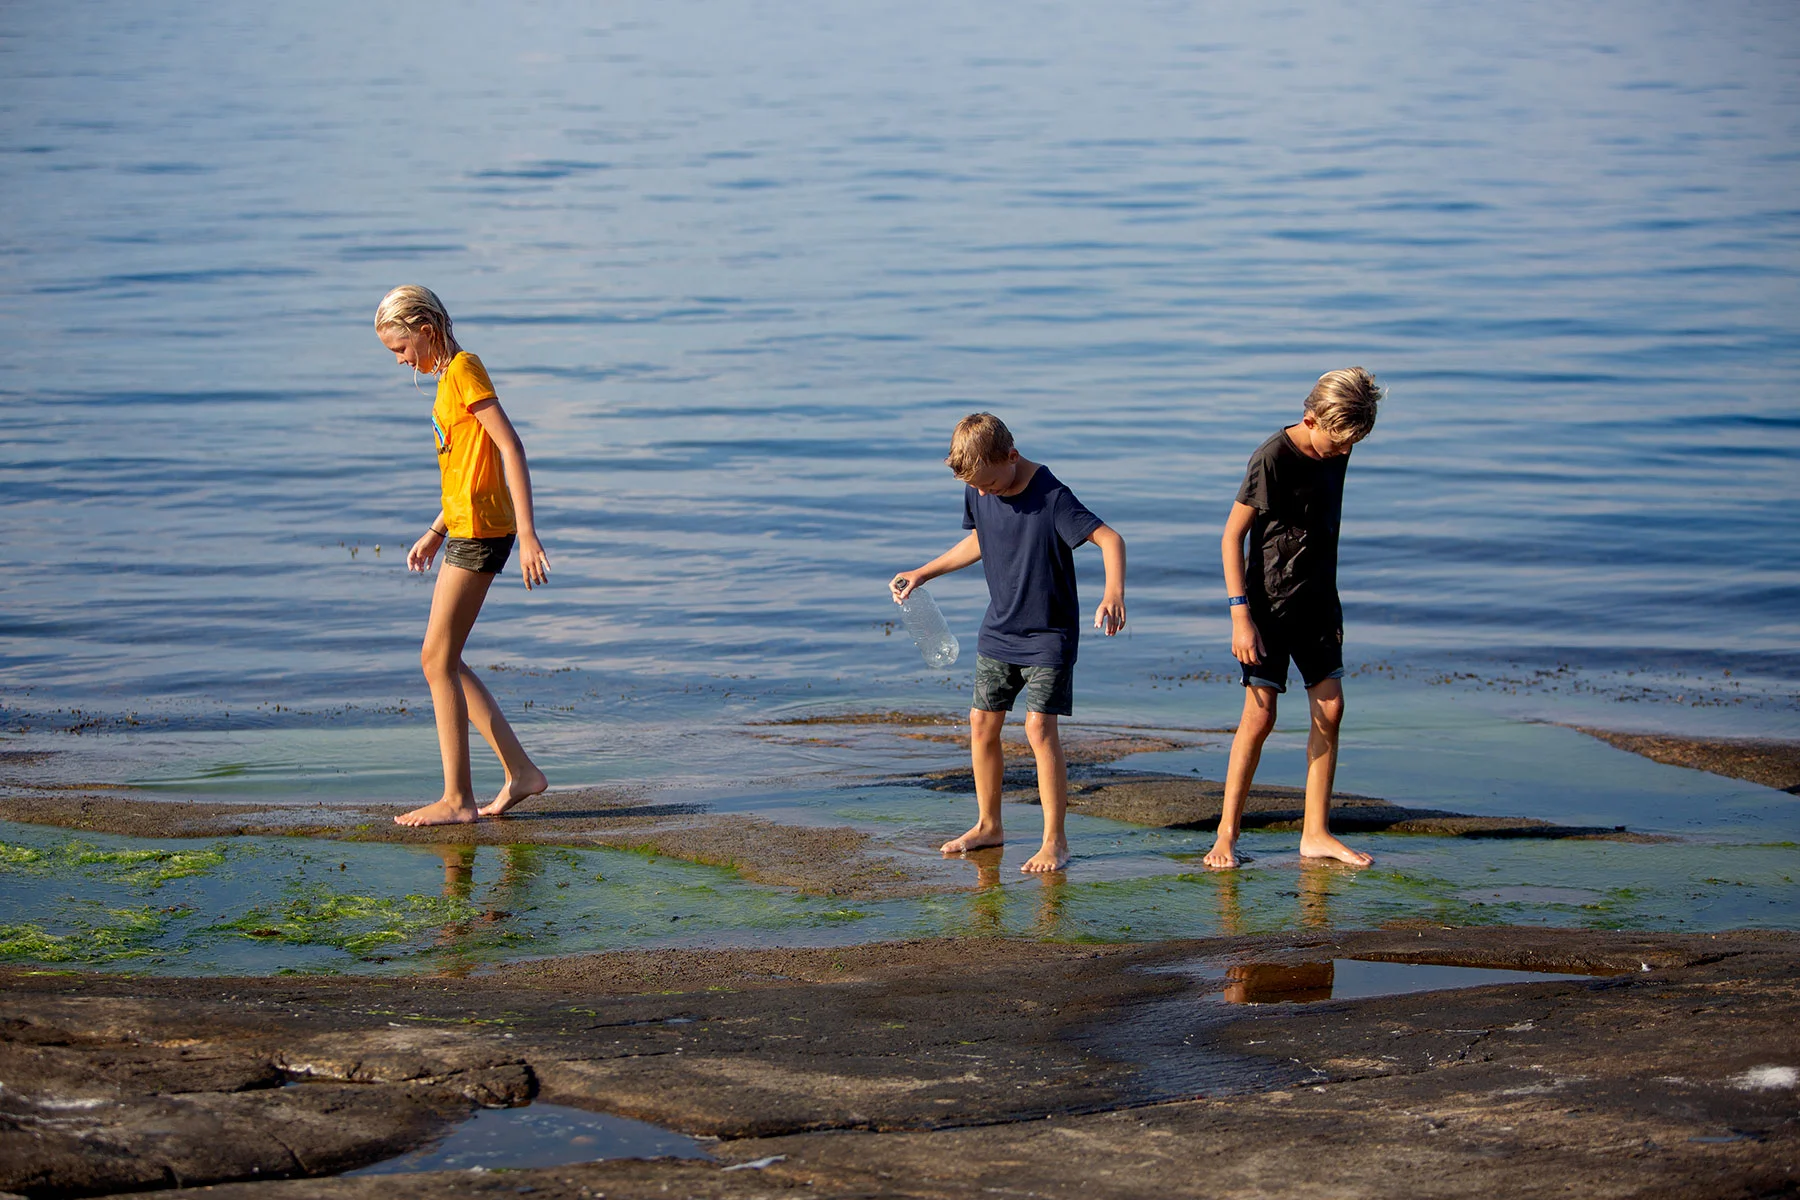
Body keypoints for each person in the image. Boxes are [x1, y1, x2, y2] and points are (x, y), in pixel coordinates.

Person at [891, 413, 1127, 873]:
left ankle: (1055, 842)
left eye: (990, 484)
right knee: (981, 724)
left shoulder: (1052, 495)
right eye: (975, 488)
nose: (983, 494)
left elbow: (1110, 539)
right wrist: (923, 572)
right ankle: (988, 825)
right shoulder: (979, 484)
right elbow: (980, 540)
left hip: (1049, 634)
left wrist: (1113, 593)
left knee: (1039, 729)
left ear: (1012, 456)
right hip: (1000, 628)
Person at [374, 285, 551, 827]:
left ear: (426, 332)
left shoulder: (464, 370)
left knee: (436, 660)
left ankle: (458, 799)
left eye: (401, 349)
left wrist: (529, 533)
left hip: (482, 534)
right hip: (465, 529)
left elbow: (510, 446)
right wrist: (435, 530)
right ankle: (520, 773)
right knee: (443, 659)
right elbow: (464, 472)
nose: (401, 362)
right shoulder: (447, 382)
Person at [1204, 368, 1382, 869]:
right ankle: (1226, 833)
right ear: (1310, 419)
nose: (1343, 452)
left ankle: (1315, 832)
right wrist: (1240, 616)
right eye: (1337, 443)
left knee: (1331, 709)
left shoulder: (1340, 441)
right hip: (1267, 605)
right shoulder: (1272, 457)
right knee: (1260, 716)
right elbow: (1231, 537)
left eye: (1352, 444)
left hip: (1319, 599)